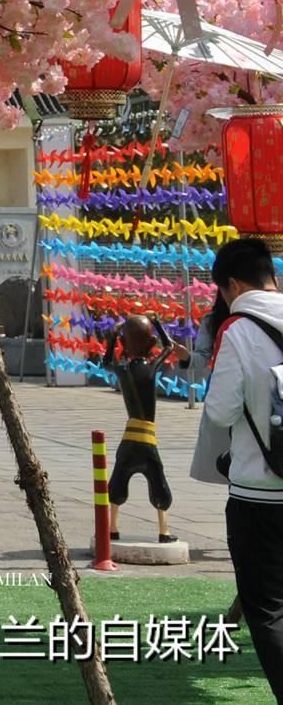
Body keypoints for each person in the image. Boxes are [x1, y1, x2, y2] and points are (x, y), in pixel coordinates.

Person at [203, 237, 283, 695]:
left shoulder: (237, 330)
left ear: (231, 285)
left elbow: (218, 412)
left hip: (259, 491)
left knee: (269, 608)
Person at [101, 313, 185, 543]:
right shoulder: (151, 368)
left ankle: (113, 527)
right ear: (150, 344)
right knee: (158, 480)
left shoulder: (123, 371)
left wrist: (112, 337)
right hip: (148, 440)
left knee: (118, 480)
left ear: (124, 344)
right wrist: (157, 322)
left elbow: (105, 363)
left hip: (129, 439)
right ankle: (164, 531)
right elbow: (168, 346)